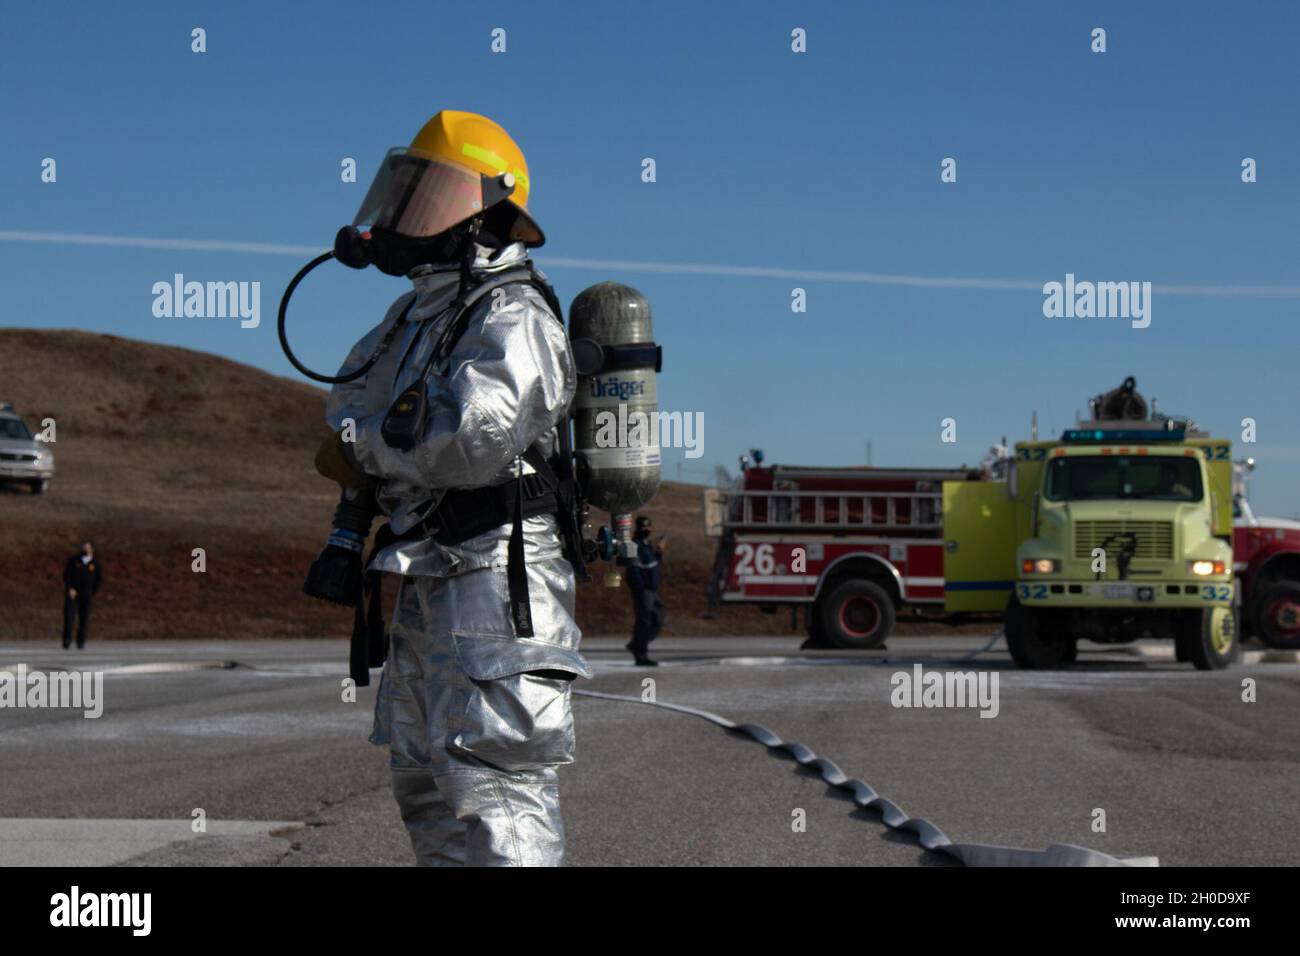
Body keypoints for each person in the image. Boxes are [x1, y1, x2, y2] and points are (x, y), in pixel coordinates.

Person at [315, 110, 587, 867]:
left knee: (492, 783)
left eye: (430, 194)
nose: (408, 213)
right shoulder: (412, 314)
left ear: (486, 209)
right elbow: (344, 404)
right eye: (407, 192)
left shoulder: (514, 311)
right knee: (425, 778)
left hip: (501, 575)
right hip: (429, 570)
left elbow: (468, 438)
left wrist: (368, 447)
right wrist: (374, 442)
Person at [626, 515, 666, 666]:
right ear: (638, 528)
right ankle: (640, 653)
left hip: (652, 589)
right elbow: (634, 569)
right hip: (643, 590)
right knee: (644, 621)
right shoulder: (635, 546)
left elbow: (653, 565)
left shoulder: (646, 545)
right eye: (644, 527)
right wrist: (640, 587)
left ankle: (637, 643)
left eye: (649, 527)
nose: (647, 530)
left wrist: (659, 552)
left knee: (658, 617)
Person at [62, 540, 101, 649]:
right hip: (73, 593)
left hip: (86, 594)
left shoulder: (95, 563)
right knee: (69, 617)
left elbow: (98, 580)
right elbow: (67, 575)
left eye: (88, 547)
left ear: (92, 549)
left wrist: (91, 591)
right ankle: (67, 640)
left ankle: (81, 642)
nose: (85, 549)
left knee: (84, 619)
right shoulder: (74, 561)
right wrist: (70, 588)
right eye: (84, 547)